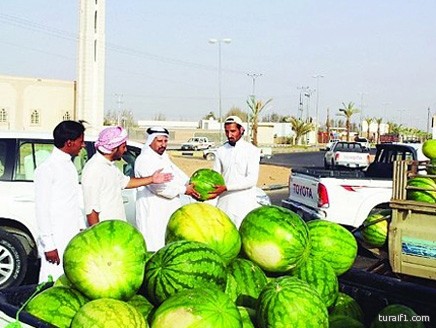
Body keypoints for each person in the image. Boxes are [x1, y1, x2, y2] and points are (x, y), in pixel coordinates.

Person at [81, 126, 173, 226]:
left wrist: (151, 179)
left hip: (117, 228)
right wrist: (98, 236)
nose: (125, 151)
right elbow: (91, 211)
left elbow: (126, 182)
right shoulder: (94, 169)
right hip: (105, 232)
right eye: (123, 147)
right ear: (114, 148)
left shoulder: (110, 166)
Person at [34, 120, 86, 282]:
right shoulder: (47, 169)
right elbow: (42, 210)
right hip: (56, 239)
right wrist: (49, 245)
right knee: (51, 283)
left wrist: (81, 228)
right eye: (81, 141)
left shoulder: (69, 166)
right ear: (69, 143)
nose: (83, 145)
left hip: (70, 235)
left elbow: (72, 201)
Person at [135, 127, 199, 251]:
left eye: (165, 141)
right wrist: (184, 190)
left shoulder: (163, 158)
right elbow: (159, 188)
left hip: (167, 213)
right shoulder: (144, 160)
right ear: (151, 141)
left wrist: (192, 184)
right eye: (160, 141)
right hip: (153, 214)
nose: (163, 145)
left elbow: (177, 175)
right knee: (154, 246)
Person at [210, 116, 261, 227]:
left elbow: (251, 180)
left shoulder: (252, 151)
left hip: (244, 205)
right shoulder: (220, 151)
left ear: (241, 130)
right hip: (224, 204)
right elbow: (215, 176)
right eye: (227, 131)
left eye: (233, 131)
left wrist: (226, 187)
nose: (229, 135)